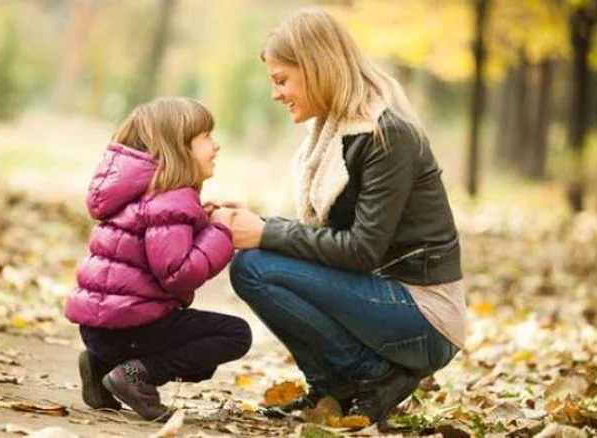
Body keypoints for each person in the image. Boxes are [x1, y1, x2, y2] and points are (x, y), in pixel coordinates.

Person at [212, 8, 465, 425]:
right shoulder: (334, 133)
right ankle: (333, 389)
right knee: (256, 264)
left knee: (255, 266)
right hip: (385, 296)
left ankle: (372, 377)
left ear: (316, 68)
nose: (276, 94)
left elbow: (362, 250)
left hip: (425, 317)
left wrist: (265, 232)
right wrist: (255, 222)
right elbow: (327, 239)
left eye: (281, 80)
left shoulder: (387, 134)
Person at [64, 97, 252, 421]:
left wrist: (204, 224)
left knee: (197, 352)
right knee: (234, 334)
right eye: (206, 137)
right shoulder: (171, 197)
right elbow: (178, 273)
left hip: (99, 329)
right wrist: (223, 233)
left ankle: (101, 365)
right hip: (131, 328)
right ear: (178, 147)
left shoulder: (138, 193)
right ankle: (135, 375)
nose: (216, 145)